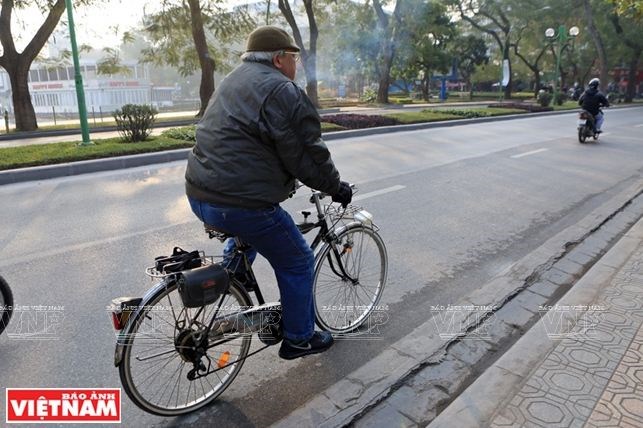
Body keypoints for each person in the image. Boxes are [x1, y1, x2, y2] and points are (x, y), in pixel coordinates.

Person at [184, 26, 353, 360]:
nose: (297, 66)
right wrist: (336, 188)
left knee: (250, 234)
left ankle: (237, 276)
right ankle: (299, 338)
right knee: (298, 260)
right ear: (278, 59)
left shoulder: (233, 80)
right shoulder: (282, 90)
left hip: (200, 194)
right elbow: (307, 154)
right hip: (240, 203)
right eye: (294, 58)